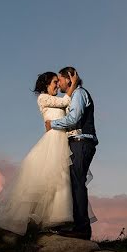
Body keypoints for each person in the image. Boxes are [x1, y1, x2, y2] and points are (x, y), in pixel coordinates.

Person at [0, 71, 95, 235]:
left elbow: (71, 112)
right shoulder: (43, 98)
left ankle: (58, 220)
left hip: (62, 142)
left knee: (61, 180)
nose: (57, 85)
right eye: (54, 82)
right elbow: (66, 101)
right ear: (45, 85)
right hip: (52, 142)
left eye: (58, 82)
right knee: (43, 179)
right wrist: (73, 84)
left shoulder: (61, 99)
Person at [45, 67, 98, 240]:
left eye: (60, 79)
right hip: (77, 143)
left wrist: (52, 124)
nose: (58, 83)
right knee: (74, 184)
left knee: (77, 184)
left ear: (69, 79)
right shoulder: (73, 96)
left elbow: (74, 118)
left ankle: (82, 229)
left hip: (81, 142)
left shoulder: (79, 94)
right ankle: (77, 225)